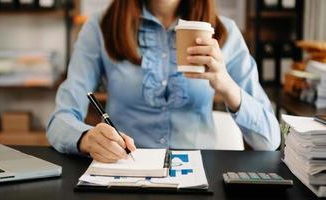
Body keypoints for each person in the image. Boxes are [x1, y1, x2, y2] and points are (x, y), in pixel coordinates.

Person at [47, 0, 281, 163]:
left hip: (200, 176)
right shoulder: (101, 26)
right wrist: (85, 139)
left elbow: (269, 140)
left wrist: (227, 85)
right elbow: (61, 119)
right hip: (126, 170)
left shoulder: (224, 31)